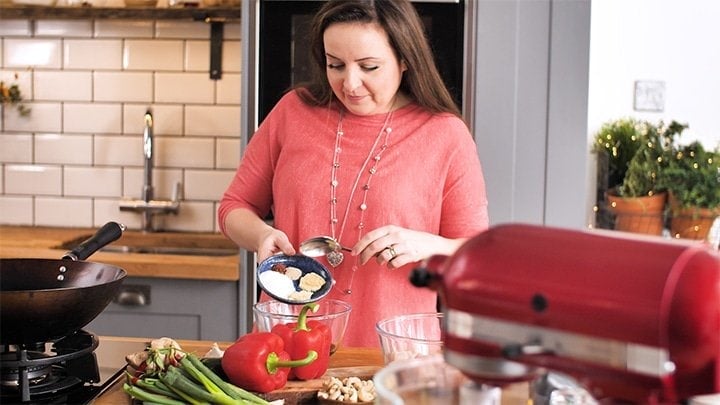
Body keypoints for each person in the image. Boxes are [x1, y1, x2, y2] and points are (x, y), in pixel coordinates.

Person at [219, 0, 489, 347]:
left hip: (394, 351)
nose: (350, 83)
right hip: (285, 342)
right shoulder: (292, 112)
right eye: (336, 65)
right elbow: (233, 206)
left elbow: (478, 255)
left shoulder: (445, 135)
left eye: (369, 67)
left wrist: (428, 245)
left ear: (406, 60)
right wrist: (260, 236)